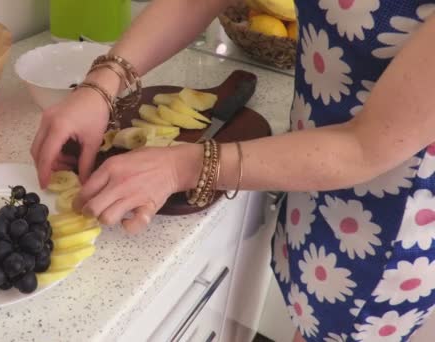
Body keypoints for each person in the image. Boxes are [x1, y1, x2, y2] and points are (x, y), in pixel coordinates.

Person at [31, 0, 435, 340]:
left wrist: (184, 167)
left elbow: (365, 147)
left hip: (392, 221)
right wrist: (103, 82)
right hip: (309, 168)